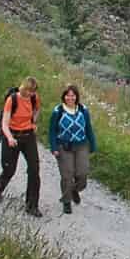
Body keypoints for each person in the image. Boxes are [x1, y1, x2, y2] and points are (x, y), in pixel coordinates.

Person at [0, 76, 43, 218]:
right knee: (9, 168)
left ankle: (32, 205)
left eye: (32, 91)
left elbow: (37, 110)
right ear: (23, 87)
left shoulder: (34, 98)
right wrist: (9, 138)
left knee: (34, 169)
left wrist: (33, 122)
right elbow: (5, 123)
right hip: (12, 134)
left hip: (28, 136)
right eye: (27, 90)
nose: (29, 94)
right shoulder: (12, 99)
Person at [46, 84, 97, 214]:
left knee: (83, 173)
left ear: (76, 97)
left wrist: (93, 144)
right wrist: (54, 147)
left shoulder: (83, 110)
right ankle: (66, 201)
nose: (70, 98)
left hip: (81, 145)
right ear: (64, 96)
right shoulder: (58, 111)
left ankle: (74, 189)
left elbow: (88, 128)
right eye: (68, 95)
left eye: (73, 95)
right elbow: (52, 131)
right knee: (67, 175)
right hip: (64, 146)